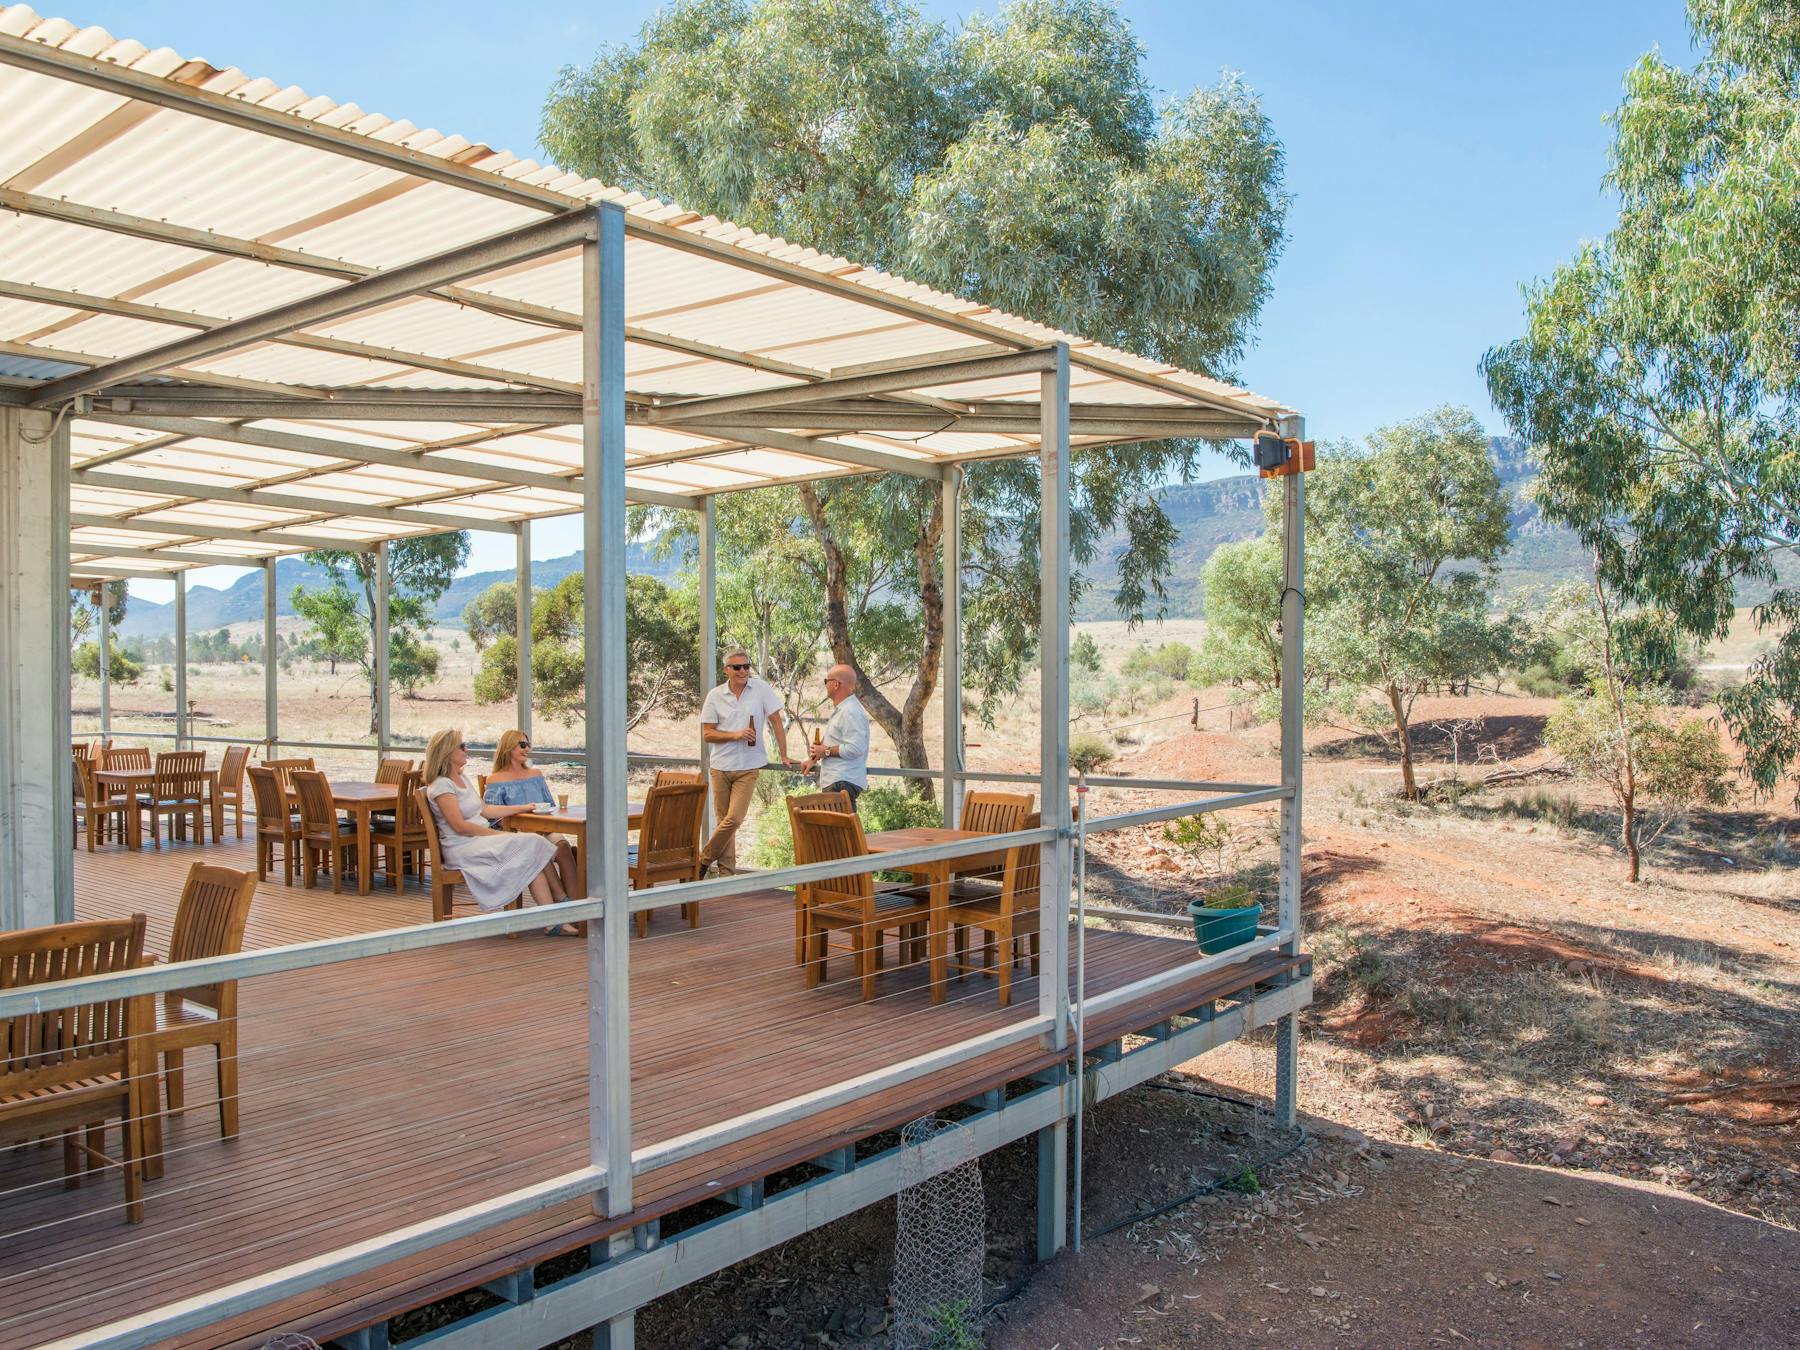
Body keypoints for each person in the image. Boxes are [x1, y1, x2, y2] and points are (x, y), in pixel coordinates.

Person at [423, 728, 576, 934]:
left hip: (478, 839)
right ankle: (560, 900)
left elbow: (485, 809)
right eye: (462, 746)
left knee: (532, 856)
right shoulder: (442, 785)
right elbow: (460, 826)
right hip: (462, 845)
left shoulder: (462, 778)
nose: (466, 749)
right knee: (533, 842)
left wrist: (523, 807)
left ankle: (552, 921)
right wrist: (500, 835)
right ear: (448, 752)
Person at [698, 649, 794, 875]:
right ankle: (726, 876)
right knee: (724, 822)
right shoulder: (715, 695)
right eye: (737, 667)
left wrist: (783, 755)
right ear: (726, 670)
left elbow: (777, 722)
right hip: (720, 767)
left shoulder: (760, 689)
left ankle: (703, 860)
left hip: (748, 767)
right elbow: (707, 735)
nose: (743, 671)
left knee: (734, 819)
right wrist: (735, 735)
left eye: (746, 666)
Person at [484, 729, 579, 898]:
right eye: (522, 745)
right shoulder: (495, 779)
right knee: (539, 847)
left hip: (545, 829)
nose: (527, 749)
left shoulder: (536, 774)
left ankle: (576, 904)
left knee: (564, 847)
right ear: (508, 748)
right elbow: (493, 818)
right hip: (518, 835)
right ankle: (563, 902)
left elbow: (550, 806)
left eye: (528, 745)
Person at [804, 662, 870, 805]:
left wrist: (826, 751)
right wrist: (812, 760)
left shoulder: (850, 711)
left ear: (836, 684)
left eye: (826, 681)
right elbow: (833, 740)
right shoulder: (844, 710)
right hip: (837, 781)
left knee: (842, 827)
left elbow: (855, 748)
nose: (825, 685)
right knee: (836, 827)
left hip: (841, 782)